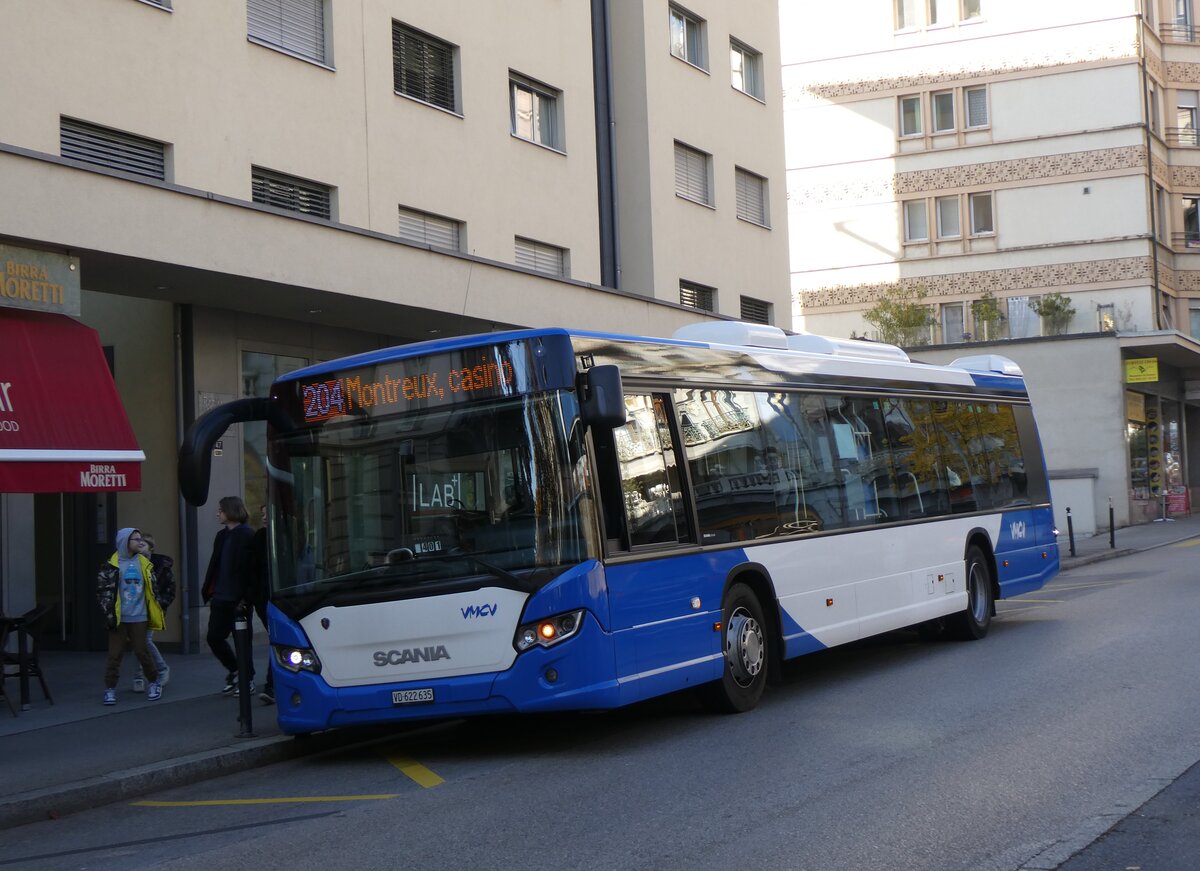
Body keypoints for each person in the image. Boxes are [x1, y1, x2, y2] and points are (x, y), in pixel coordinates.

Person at [96, 528, 164, 705]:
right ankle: (110, 689)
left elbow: (153, 588)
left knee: (141, 651)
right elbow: (103, 590)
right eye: (136, 539)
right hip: (118, 617)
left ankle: (154, 682)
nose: (140, 542)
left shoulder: (144, 562)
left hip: (139, 615)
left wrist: (156, 608)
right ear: (125, 542)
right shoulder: (111, 564)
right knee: (115, 654)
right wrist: (108, 610)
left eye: (141, 539)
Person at [203, 496, 256, 696]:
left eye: (221, 510)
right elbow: (216, 565)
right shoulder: (221, 536)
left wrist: (246, 597)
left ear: (231, 511)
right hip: (220, 597)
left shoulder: (247, 535)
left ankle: (246, 679)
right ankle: (236, 670)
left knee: (242, 640)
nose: (218, 514)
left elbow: (251, 569)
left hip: (238, 599)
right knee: (214, 637)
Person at [132, 532, 175, 692]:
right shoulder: (132, 563)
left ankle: (161, 669)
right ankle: (138, 677)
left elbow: (170, 590)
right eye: (138, 544)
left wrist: (160, 604)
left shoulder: (162, 567)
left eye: (143, 544)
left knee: (144, 641)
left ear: (151, 548)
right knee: (138, 642)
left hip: (153, 609)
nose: (139, 546)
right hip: (135, 608)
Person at [248, 503, 275, 705]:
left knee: (278, 641)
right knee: (277, 641)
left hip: (280, 598)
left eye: (267, 513)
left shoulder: (288, 533)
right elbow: (254, 570)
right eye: (262, 514)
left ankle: (272, 686)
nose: (264, 518)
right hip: (264, 598)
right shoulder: (259, 537)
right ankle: (271, 686)